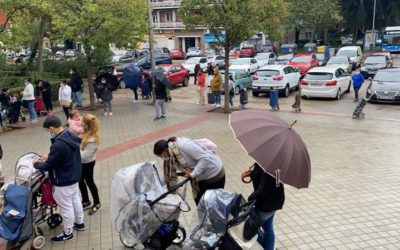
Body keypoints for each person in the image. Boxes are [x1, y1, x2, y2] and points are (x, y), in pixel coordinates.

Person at [33, 116, 85, 243]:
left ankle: (68, 233)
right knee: (75, 200)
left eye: (48, 130)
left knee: (66, 208)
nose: (48, 133)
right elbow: (61, 157)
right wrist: (50, 157)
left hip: (63, 180)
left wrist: (36, 164)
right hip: (74, 176)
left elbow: (48, 166)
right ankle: (80, 223)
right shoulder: (70, 135)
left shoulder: (58, 144)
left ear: (51, 128)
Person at [153, 136, 225, 205]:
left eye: (160, 155)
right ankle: (205, 216)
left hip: (213, 174)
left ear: (164, 151)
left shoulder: (183, 145)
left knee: (213, 202)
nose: (161, 157)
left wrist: (193, 174)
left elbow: (205, 158)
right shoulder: (171, 158)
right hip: (199, 177)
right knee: (199, 201)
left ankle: (220, 216)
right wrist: (156, 183)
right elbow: (169, 175)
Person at [247, 163, 285, 250]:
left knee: (251, 228)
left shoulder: (269, 166)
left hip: (266, 204)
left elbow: (264, 188)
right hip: (274, 202)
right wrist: (252, 173)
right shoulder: (276, 164)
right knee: (268, 227)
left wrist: (250, 198)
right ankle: (270, 248)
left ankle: (270, 248)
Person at [79, 114, 101, 215]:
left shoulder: (92, 139)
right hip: (81, 163)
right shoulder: (85, 132)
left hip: (87, 163)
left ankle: (97, 203)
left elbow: (84, 156)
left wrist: (74, 148)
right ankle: (86, 201)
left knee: (89, 182)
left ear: (87, 125)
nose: (80, 124)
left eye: (82, 123)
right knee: (80, 181)